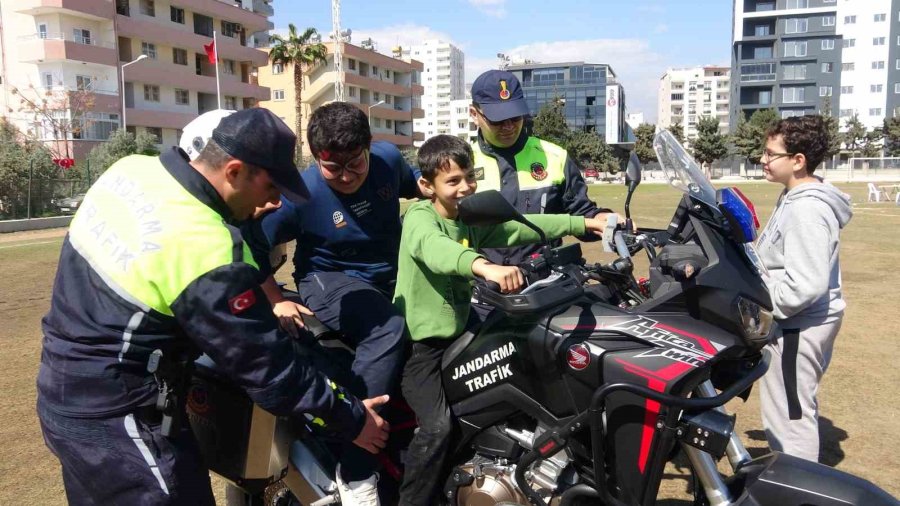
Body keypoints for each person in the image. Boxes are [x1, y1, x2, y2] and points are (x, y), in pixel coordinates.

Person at [36, 108, 389, 506]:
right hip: (122, 418)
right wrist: (352, 418)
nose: (276, 202)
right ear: (234, 171)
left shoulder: (130, 171)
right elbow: (268, 370)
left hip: (63, 394)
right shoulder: (206, 248)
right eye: (271, 187)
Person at [394, 135, 614, 505]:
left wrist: (582, 222)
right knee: (436, 428)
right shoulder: (421, 217)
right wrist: (484, 266)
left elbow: (517, 226)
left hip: (462, 332)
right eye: (453, 181)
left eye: (469, 177)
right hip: (423, 348)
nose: (465, 187)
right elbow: (435, 249)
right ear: (426, 186)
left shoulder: (468, 217)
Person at [241, 102, 416, 500]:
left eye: (355, 164)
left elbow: (419, 185)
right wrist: (275, 299)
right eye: (333, 168)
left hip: (390, 273)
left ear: (369, 147)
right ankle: (356, 470)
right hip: (328, 278)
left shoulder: (389, 160)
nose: (346, 176)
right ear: (316, 158)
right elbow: (250, 249)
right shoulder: (298, 194)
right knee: (386, 327)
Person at [756, 115, 852, 462]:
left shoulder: (807, 208)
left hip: (797, 324)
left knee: (791, 417)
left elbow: (805, 286)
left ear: (798, 161)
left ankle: (797, 482)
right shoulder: (793, 197)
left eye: (771, 154)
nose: (763, 159)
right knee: (789, 408)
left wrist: (764, 305)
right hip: (798, 322)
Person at [467, 70, 615, 268]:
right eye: (498, 120)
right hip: (481, 282)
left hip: (545, 279)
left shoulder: (555, 156)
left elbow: (581, 213)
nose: (509, 126)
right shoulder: (461, 163)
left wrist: (602, 218)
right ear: (474, 114)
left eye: (515, 117)